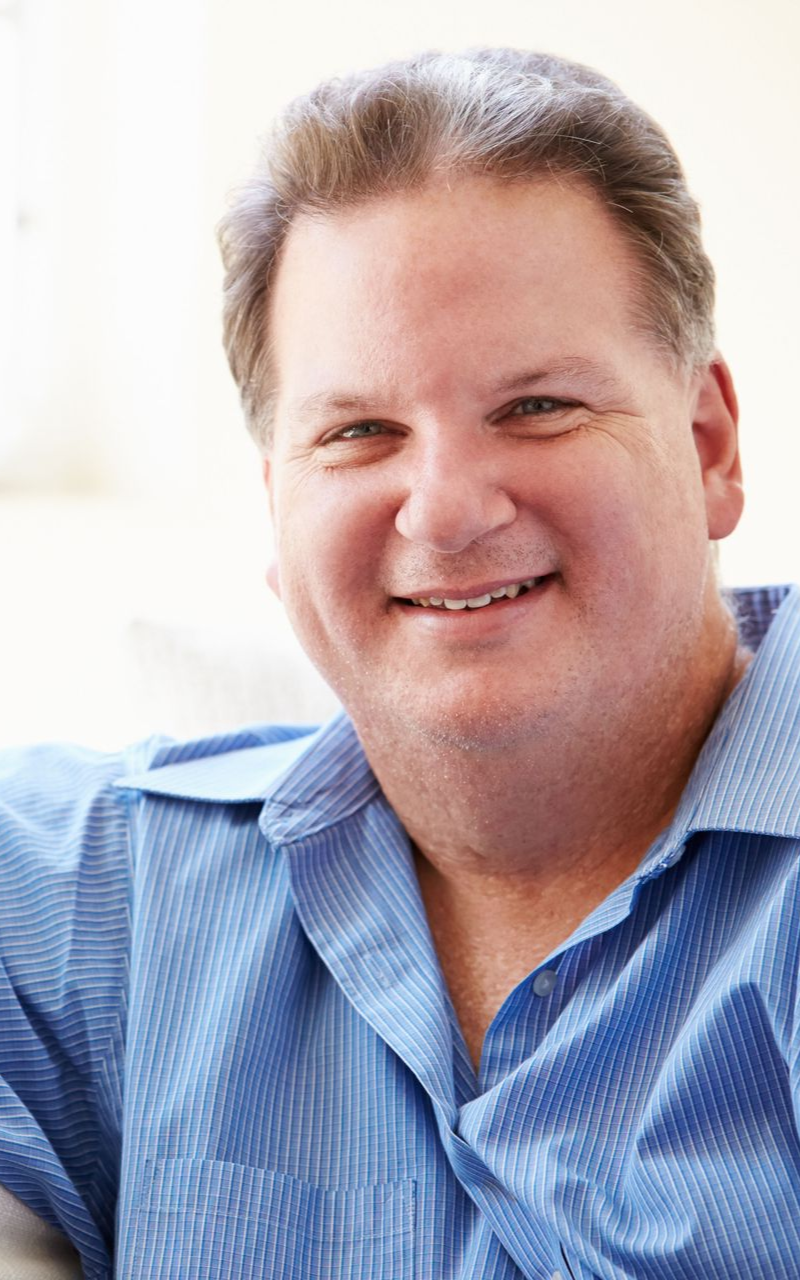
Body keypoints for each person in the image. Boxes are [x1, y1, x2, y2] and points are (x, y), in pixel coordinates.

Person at [1, 46, 798, 1280]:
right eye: (358, 430)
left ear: (705, 447)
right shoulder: (105, 894)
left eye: (535, 405)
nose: (442, 507)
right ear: (276, 512)